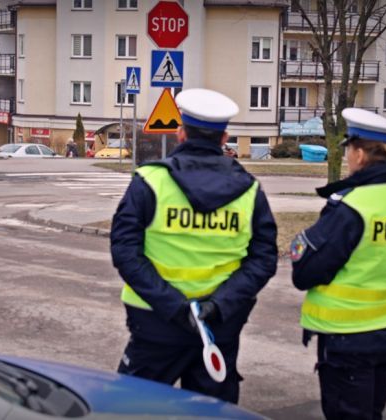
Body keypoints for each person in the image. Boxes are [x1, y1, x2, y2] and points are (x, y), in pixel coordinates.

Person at [110, 88, 278, 403]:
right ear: (224, 136)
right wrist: (219, 305)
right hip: (219, 326)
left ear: (180, 132)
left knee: (129, 408)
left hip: (155, 322)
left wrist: (174, 307)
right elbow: (264, 258)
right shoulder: (250, 191)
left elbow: (124, 251)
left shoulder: (150, 182)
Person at [289, 108, 386, 420]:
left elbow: (306, 273)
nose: (348, 157)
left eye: (349, 149)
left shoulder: (352, 207)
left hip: (348, 337)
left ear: (361, 154)